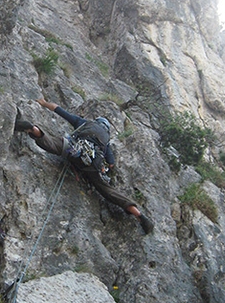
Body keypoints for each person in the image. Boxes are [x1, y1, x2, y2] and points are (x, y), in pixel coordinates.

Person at [15, 97, 154, 234]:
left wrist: (44, 103)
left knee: (52, 143)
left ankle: (33, 129)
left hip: (73, 148)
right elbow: (111, 164)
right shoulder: (106, 142)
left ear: (97, 122)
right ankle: (139, 215)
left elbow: (59, 110)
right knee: (108, 191)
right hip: (91, 164)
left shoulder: (85, 123)